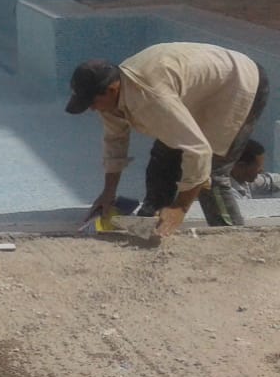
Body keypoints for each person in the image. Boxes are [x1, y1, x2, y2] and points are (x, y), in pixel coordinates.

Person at [65, 42, 269, 237]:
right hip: (201, 91)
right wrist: (108, 192)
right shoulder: (112, 98)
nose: (92, 109)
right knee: (163, 158)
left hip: (240, 83)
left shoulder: (150, 96)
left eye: (92, 102)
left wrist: (180, 208)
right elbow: (115, 141)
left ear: (112, 89)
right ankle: (154, 222)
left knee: (212, 174)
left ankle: (229, 236)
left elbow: (198, 150)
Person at [206, 139, 280, 227]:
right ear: (241, 166)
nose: (261, 170)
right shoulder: (228, 194)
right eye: (258, 167)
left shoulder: (244, 179)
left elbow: (271, 181)